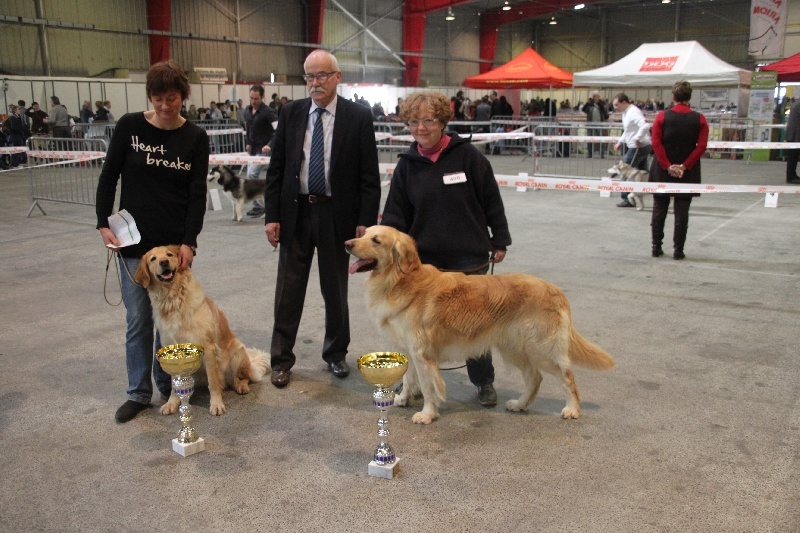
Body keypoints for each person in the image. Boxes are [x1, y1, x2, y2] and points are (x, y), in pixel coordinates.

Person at [380, 90, 512, 407]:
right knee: (417, 330)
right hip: (424, 264)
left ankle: (483, 381)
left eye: (428, 120)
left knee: (474, 325)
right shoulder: (407, 166)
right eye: (414, 122)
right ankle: (415, 384)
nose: (421, 128)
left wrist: (500, 238)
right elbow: (395, 215)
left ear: (442, 121)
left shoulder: (468, 157)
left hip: (468, 256)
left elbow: (491, 200)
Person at [96, 59, 209, 423]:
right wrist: (102, 223)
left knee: (171, 321)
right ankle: (138, 392)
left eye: (171, 98)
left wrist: (189, 241)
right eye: (158, 99)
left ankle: (169, 385)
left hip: (172, 249)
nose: (164, 106)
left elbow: (197, 195)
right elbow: (108, 176)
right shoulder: (129, 126)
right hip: (133, 246)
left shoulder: (196, 138)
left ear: (183, 96)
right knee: (139, 320)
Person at [264, 49, 380, 388]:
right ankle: (281, 360)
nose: (315, 82)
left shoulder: (358, 116)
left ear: (337, 77)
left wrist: (365, 220)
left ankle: (336, 353)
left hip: (336, 214)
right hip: (296, 212)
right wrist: (272, 215)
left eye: (322, 75)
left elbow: (369, 175)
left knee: (335, 289)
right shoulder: (291, 112)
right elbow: (277, 169)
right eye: (310, 76)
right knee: (288, 290)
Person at [649, 80, 708, 260]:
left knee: (659, 209)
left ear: (673, 96)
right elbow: (701, 146)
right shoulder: (700, 119)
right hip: (687, 171)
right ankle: (678, 250)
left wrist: (667, 165)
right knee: (682, 212)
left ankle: (656, 247)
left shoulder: (661, 117)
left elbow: (656, 144)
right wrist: (684, 165)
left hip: (662, 169)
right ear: (689, 97)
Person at [243, 84, 278, 216]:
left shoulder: (268, 112)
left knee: (252, 175)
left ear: (262, 97)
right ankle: (259, 203)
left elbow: (278, 130)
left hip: (264, 150)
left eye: (256, 98)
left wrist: (270, 144)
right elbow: (249, 129)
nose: (253, 101)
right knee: (251, 176)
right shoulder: (247, 111)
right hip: (252, 150)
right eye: (251, 98)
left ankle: (259, 205)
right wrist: (248, 143)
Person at [613, 93, 652, 207]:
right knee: (642, 173)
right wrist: (620, 141)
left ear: (624, 102)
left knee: (625, 172)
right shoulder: (626, 113)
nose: (615, 108)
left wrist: (637, 138)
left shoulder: (633, 112)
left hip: (638, 147)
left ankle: (627, 199)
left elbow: (645, 126)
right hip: (642, 146)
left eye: (616, 105)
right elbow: (628, 130)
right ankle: (643, 194)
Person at [582, 91, 609, 158]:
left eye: (596, 96)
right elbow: (583, 110)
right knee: (590, 139)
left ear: (599, 97)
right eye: (594, 96)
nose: (595, 98)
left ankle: (601, 154)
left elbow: (606, 113)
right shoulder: (590, 104)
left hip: (600, 124)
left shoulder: (602, 104)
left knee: (601, 139)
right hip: (590, 124)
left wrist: (600, 105)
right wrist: (587, 103)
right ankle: (590, 153)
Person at [783, 98, 800, 184]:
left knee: (793, 157)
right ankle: (791, 177)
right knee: (793, 158)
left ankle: (792, 175)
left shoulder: (797, 103)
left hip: (793, 134)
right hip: (796, 135)